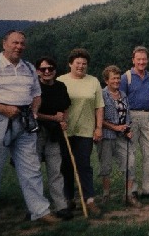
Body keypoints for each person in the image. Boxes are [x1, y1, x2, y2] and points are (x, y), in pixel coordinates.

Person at [0, 30, 59, 231]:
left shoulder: (28, 68)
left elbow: (36, 94)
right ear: (4, 43)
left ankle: (40, 212)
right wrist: (4, 109)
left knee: (31, 168)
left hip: (25, 123)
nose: (19, 46)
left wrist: (34, 112)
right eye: (14, 43)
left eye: (22, 44)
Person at [57, 48, 104, 215]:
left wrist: (98, 128)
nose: (81, 66)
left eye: (84, 63)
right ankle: (68, 200)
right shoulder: (60, 81)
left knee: (84, 165)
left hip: (86, 130)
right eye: (78, 63)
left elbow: (99, 106)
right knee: (66, 166)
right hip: (65, 131)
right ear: (70, 63)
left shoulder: (94, 81)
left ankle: (89, 200)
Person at [120, 46, 149, 199]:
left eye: (144, 59)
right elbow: (121, 101)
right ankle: (131, 190)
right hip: (130, 117)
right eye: (138, 59)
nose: (141, 62)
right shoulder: (126, 77)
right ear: (133, 60)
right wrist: (124, 124)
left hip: (147, 117)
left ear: (147, 60)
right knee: (130, 155)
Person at [35, 57, 73, 220]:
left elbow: (65, 107)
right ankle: (34, 207)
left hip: (55, 134)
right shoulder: (34, 87)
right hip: (36, 132)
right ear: (38, 71)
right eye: (43, 69)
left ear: (55, 70)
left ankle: (61, 206)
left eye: (50, 68)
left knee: (55, 170)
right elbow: (34, 113)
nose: (47, 71)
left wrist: (63, 119)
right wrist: (54, 118)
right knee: (33, 170)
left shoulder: (60, 86)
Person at [98, 65, 142, 208]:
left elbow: (127, 115)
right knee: (106, 166)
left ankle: (128, 195)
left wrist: (127, 129)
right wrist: (115, 127)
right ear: (106, 80)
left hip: (123, 137)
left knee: (130, 164)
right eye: (113, 78)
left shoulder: (123, 95)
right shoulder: (102, 95)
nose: (116, 81)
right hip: (106, 136)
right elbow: (98, 118)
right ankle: (106, 195)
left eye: (118, 78)